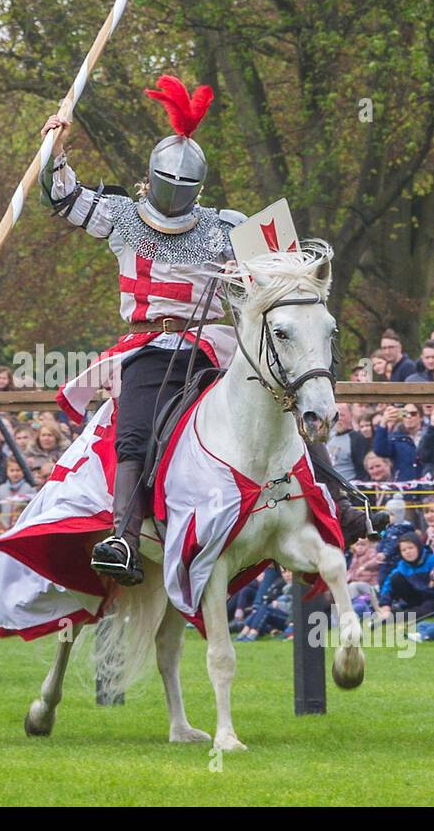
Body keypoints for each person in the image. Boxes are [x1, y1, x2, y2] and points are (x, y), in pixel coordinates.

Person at [39, 76, 383, 583]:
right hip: (147, 349)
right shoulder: (122, 217)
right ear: (152, 178)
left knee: (288, 403)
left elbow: (284, 277)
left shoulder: (225, 227)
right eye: (168, 185)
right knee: (134, 432)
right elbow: (65, 199)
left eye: (183, 189)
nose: (174, 197)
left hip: (211, 348)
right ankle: (124, 539)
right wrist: (56, 146)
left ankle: (338, 499)